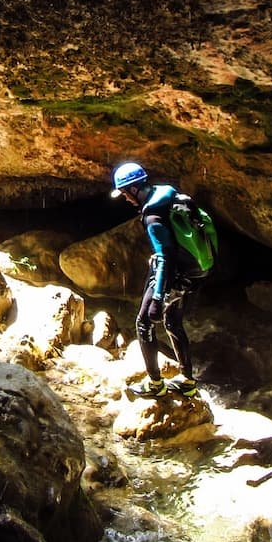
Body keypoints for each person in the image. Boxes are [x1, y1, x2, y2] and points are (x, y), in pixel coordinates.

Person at [111, 162, 209, 398]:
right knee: (173, 323)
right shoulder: (168, 194)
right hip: (195, 271)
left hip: (175, 275)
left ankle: (155, 384)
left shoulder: (152, 216)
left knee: (143, 323)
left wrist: (157, 297)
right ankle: (187, 381)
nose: (125, 198)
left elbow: (166, 257)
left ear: (134, 189)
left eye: (125, 192)